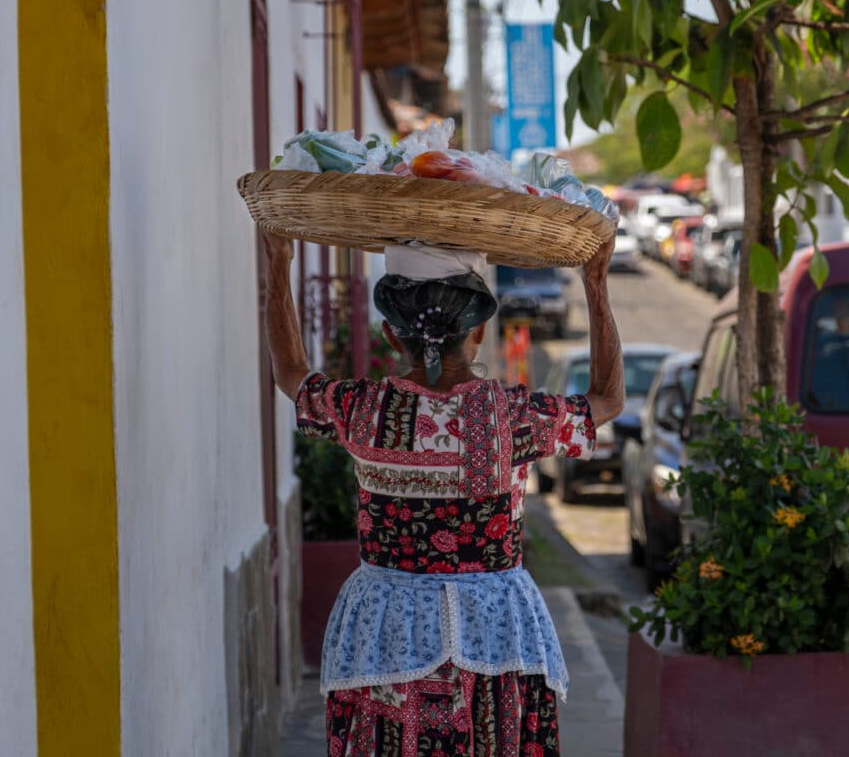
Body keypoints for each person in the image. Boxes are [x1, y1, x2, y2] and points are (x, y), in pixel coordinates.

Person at [264, 233, 624, 757]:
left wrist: (278, 263)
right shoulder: (513, 418)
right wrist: (595, 284)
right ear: (478, 332)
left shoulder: (364, 412)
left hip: (385, 635)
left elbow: (291, 374)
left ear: (391, 334)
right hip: (495, 639)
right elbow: (608, 398)